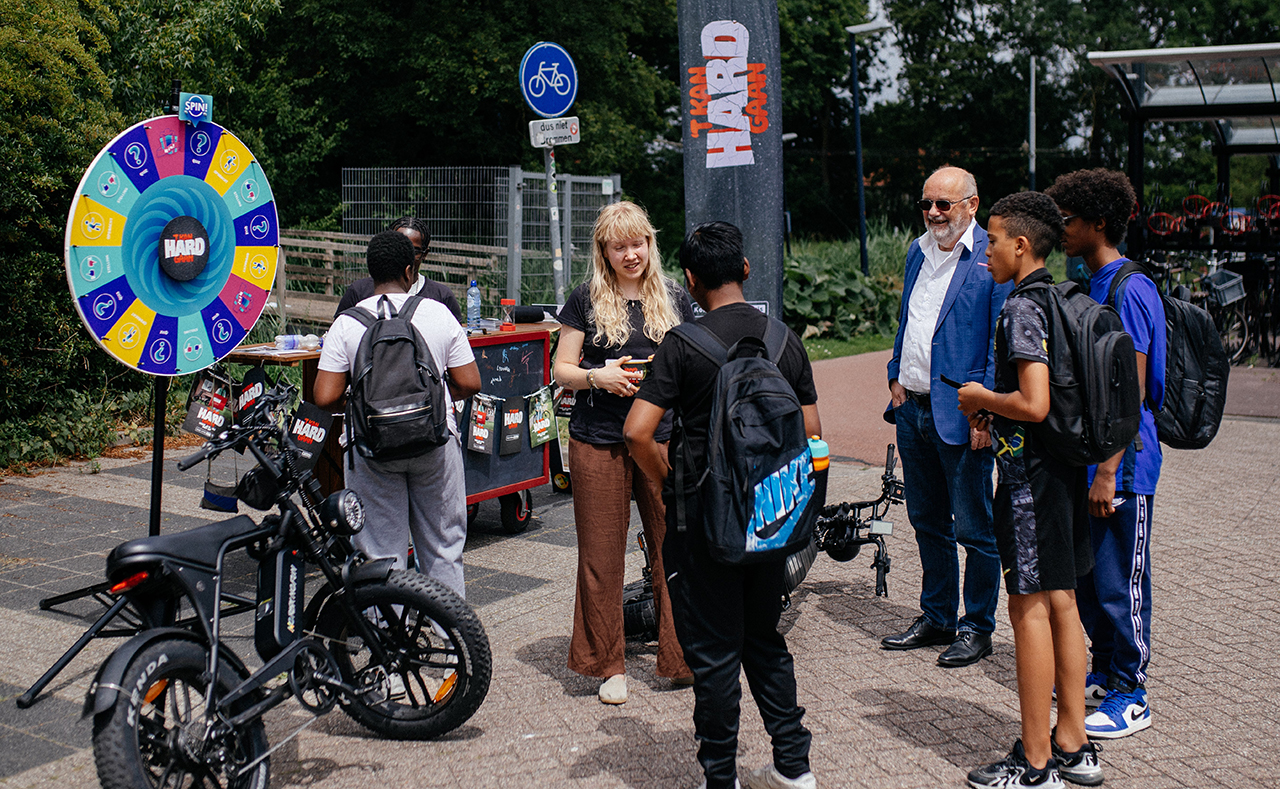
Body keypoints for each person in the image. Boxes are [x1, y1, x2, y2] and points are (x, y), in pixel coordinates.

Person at [625, 221, 821, 789]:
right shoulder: (784, 341)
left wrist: (670, 484)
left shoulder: (684, 344)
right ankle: (794, 766)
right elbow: (812, 436)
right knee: (764, 640)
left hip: (701, 524)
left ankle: (720, 777)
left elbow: (639, 433)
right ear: (745, 269)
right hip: (770, 520)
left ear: (688, 278)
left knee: (713, 654)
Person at [957, 192, 1100, 789]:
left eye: (990, 240)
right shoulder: (1068, 297)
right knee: (1065, 604)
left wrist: (981, 399)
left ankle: (1035, 761)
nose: (985, 250)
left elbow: (1035, 403)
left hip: (1029, 481)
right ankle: (1075, 744)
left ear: (1020, 245)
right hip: (1066, 471)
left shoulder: (1021, 307)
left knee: (1027, 609)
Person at [553, 200, 695, 705]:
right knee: (601, 555)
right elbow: (561, 369)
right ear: (604, 251)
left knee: (673, 548)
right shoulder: (585, 299)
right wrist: (599, 376)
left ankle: (680, 657)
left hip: (661, 437)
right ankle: (608, 664)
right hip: (598, 440)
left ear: (650, 245)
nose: (631, 254)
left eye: (639, 243)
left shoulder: (675, 295)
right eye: (620, 246)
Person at [1046, 169, 1165, 739]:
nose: (1059, 230)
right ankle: (1104, 670)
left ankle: (1133, 690)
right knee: (1091, 581)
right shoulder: (1091, 284)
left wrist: (1110, 470)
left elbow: (1132, 390)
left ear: (1097, 223)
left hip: (1122, 466)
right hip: (1090, 464)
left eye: (1066, 220)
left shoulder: (1130, 289)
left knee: (1121, 583)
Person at [882, 165, 1012, 667]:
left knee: (975, 529)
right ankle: (937, 616)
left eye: (945, 204)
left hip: (964, 415)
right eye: (927, 204)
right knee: (926, 522)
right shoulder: (918, 249)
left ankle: (977, 626)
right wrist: (895, 372)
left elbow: (999, 342)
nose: (934, 213)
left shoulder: (990, 256)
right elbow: (909, 318)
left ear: (972, 205)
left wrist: (986, 411)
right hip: (911, 408)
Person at [312, 230, 480, 597]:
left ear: (370, 273)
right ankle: (450, 640)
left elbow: (324, 396)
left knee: (378, 549)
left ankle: (387, 638)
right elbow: (469, 383)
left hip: (371, 447)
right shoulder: (438, 313)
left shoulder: (347, 323)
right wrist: (432, 398)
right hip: (435, 442)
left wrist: (364, 406)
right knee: (443, 546)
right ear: (410, 270)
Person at [335, 216, 462, 320]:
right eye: (398, 247)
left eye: (414, 250)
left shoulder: (442, 297)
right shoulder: (359, 292)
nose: (405, 255)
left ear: (425, 254)